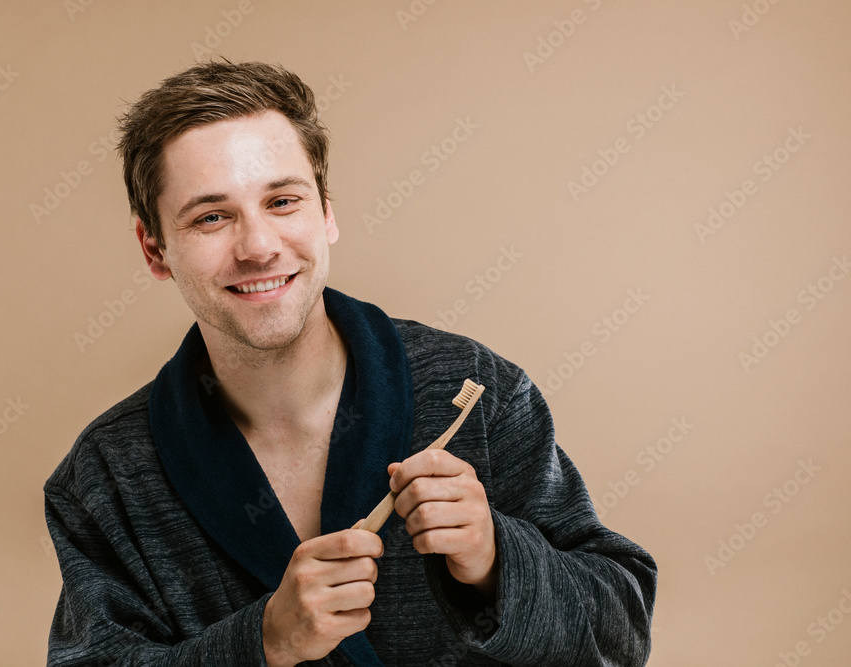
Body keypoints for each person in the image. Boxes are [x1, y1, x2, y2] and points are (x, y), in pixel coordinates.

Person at [44, 60, 657, 666]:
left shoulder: (475, 391)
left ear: (327, 213)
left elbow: (621, 633)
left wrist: (499, 560)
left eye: (283, 201)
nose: (258, 247)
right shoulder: (107, 475)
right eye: (211, 217)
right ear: (155, 249)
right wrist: (261, 643)